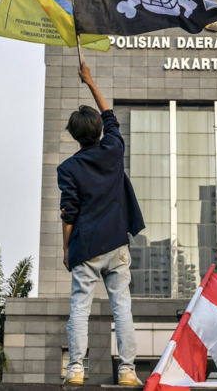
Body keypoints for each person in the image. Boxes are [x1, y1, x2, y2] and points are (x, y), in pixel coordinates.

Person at [58, 61, 145, 386]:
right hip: (116, 244)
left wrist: (68, 248)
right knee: (122, 308)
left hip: (86, 245)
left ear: (73, 136)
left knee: (80, 308)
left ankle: (76, 370)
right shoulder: (114, 149)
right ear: (98, 131)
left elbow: (69, 212)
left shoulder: (68, 169)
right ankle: (127, 371)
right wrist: (90, 82)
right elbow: (110, 117)